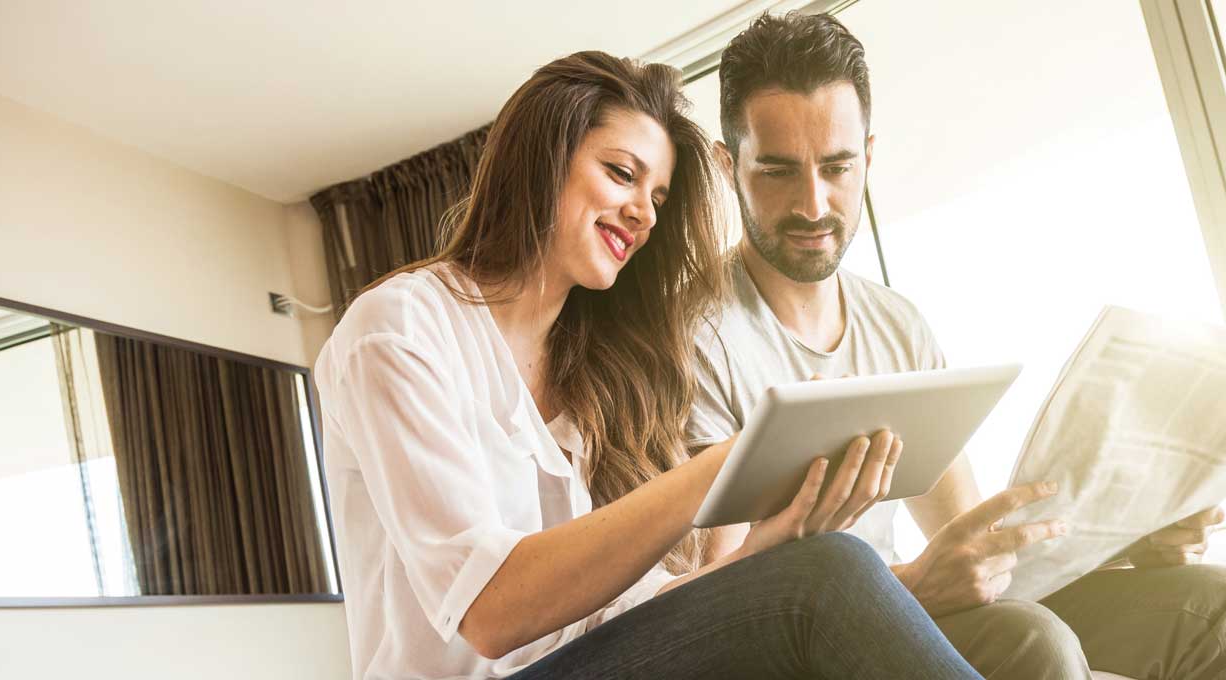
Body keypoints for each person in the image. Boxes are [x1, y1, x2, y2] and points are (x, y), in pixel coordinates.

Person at [313, 51, 983, 679]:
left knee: (826, 567)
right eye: (622, 174)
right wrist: (722, 465)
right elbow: (491, 612)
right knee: (832, 574)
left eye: (658, 199)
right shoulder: (400, 330)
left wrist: (760, 555)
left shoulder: (595, 375)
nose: (642, 213)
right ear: (540, 161)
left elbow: (626, 616)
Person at [689, 13, 1226, 680]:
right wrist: (913, 583)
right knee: (1033, 644)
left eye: (837, 166)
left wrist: (1127, 542)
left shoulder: (896, 325)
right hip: (806, 649)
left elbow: (971, 536)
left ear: (869, 157)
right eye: (777, 171)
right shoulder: (695, 337)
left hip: (903, 607)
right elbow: (724, 605)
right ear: (726, 164)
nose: (814, 203)